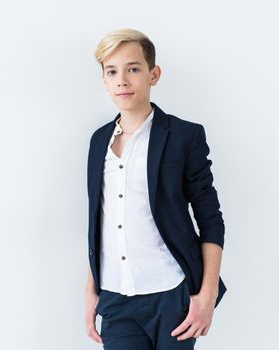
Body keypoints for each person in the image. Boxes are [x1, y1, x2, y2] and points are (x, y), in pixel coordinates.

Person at [85, 28, 227, 350]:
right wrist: (91, 291)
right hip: (116, 300)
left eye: (133, 68)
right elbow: (100, 222)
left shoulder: (184, 137)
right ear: (105, 80)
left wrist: (207, 296)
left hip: (172, 296)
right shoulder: (98, 143)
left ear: (154, 74)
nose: (122, 80)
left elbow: (210, 220)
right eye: (112, 71)